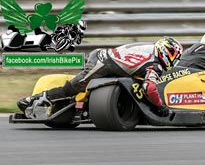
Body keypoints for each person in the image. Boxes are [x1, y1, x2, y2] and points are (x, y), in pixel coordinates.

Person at [17, 36, 184, 117]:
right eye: (174, 56)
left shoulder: (149, 47)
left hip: (107, 61)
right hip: (102, 62)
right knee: (73, 88)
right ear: (167, 52)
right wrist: (160, 106)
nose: (173, 60)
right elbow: (150, 87)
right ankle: (32, 100)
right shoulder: (154, 64)